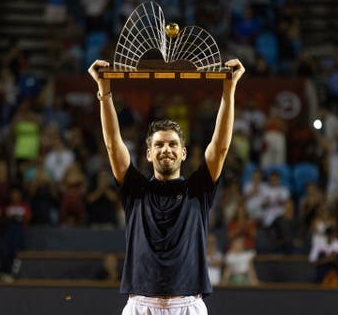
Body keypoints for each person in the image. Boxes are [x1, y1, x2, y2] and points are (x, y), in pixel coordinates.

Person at [88, 58, 245, 315]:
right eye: (159, 145)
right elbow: (112, 144)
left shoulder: (198, 189)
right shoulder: (135, 189)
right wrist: (104, 92)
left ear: (183, 153)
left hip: (187, 305)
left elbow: (220, 146)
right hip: (140, 305)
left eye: (172, 144)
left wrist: (230, 90)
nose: (166, 150)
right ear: (148, 154)